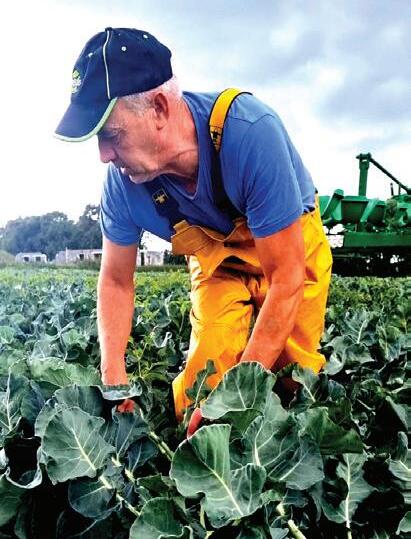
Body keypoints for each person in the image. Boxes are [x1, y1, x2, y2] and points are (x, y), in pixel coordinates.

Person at [55, 27, 332, 435]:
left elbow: (287, 279)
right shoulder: (122, 184)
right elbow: (115, 280)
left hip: (290, 254)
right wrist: (114, 377)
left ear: (159, 109)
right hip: (218, 265)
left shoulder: (249, 133)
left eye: (111, 135)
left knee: (293, 380)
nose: (103, 155)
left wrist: (237, 397)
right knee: (202, 388)